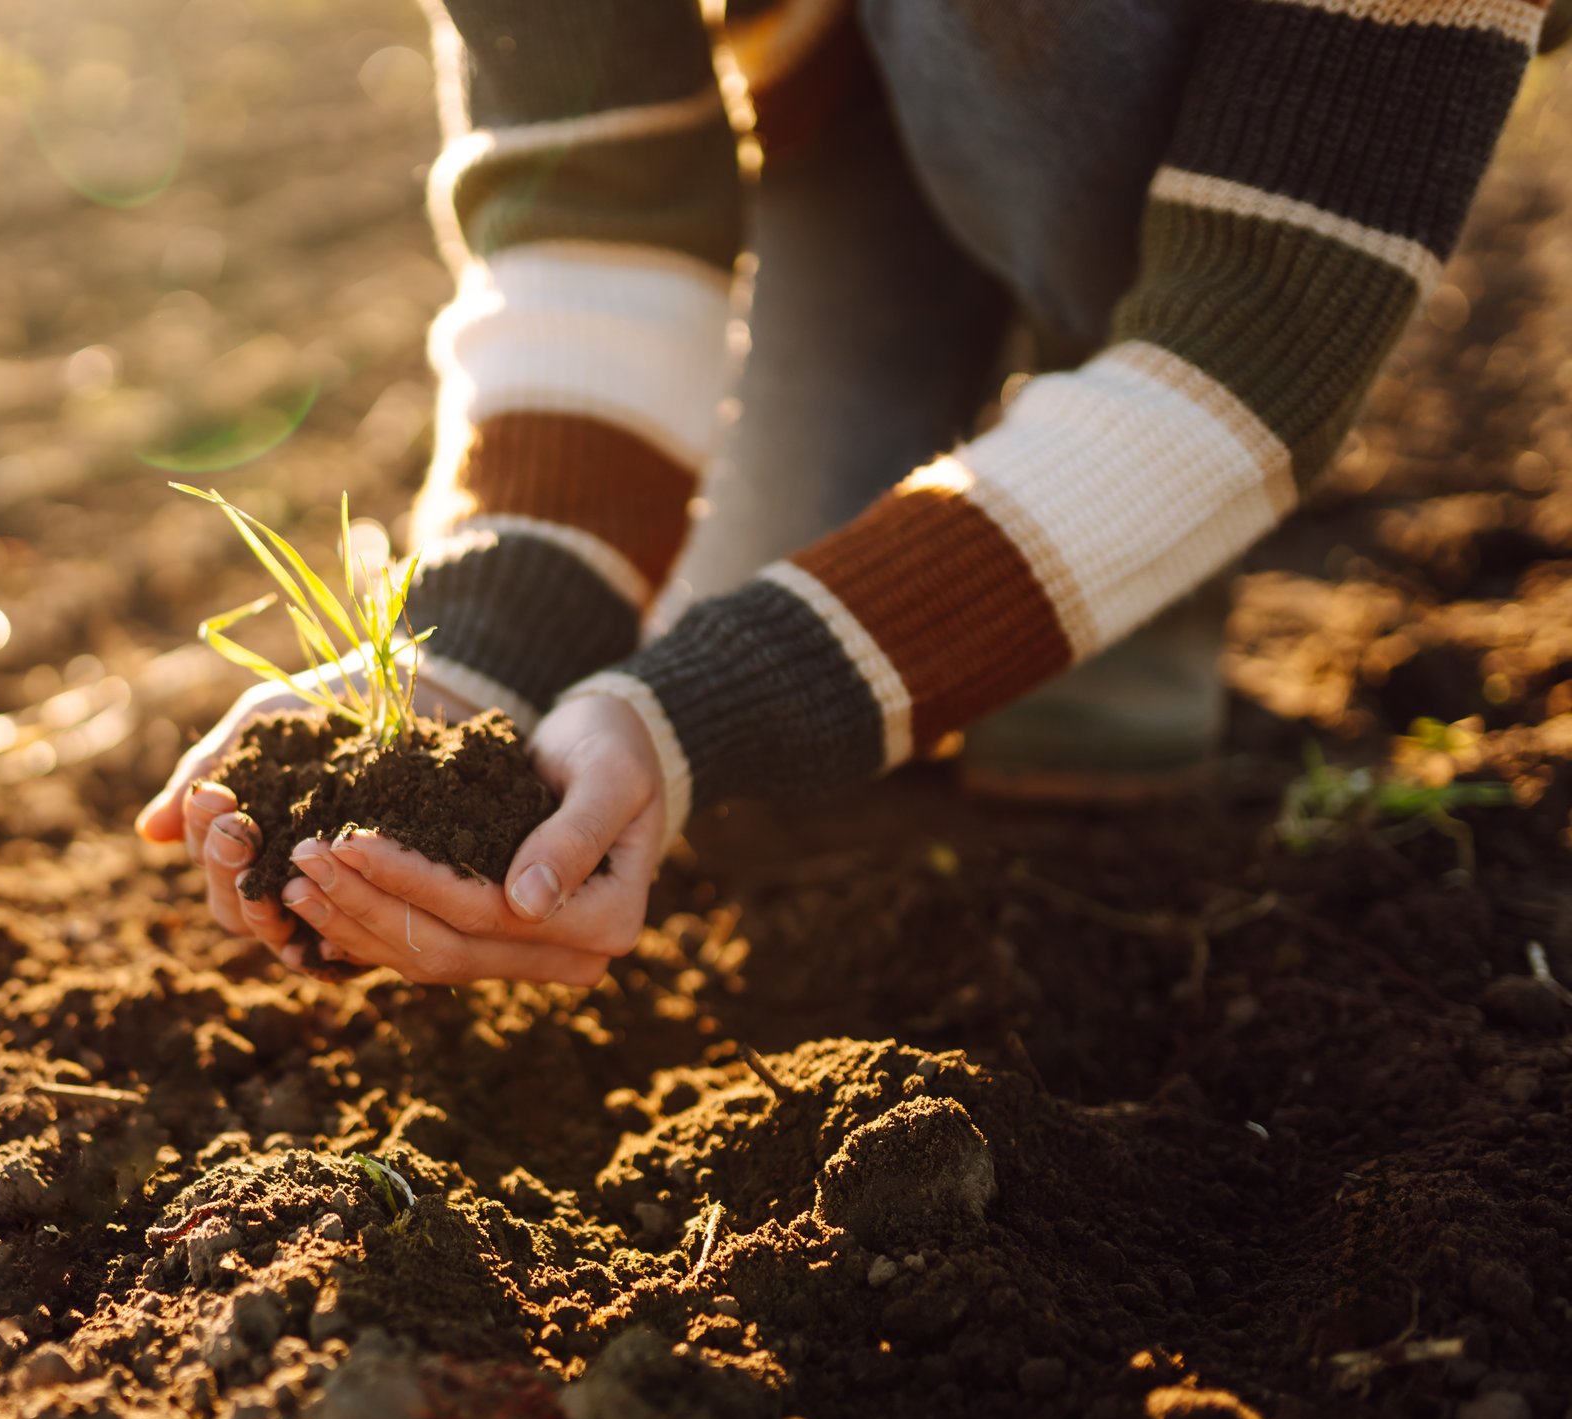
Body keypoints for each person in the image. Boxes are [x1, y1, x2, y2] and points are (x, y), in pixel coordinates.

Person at [139, 0, 1570, 986]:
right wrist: (480, 656)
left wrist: (709, 702)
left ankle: (1113, 471)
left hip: (1183, 116)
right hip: (846, 87)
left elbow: (1253, 351)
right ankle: (988, 413)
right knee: (740, 603)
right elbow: (589, 211)